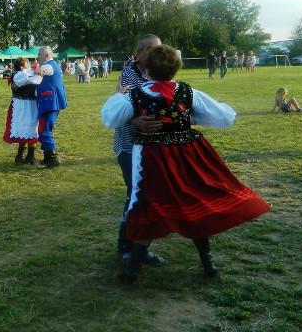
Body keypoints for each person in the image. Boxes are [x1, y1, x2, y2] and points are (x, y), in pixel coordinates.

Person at [102, 45, 270, 283]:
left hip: (152, 158)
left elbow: (110, 117)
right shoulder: (188, 92)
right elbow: (222, 116)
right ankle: (208, 264)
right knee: (193, 200)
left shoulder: (134, 95)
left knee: (149, 204)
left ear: (146, 69)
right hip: (188, 155)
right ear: (176, 69)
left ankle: (132, 271)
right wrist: (188, 117)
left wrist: (120, 96)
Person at [111, 35, 166, 265]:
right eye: (153, 49)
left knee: (149, 195)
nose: (158, 53)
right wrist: (135, 121)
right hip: (129, 145)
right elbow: (118, 107)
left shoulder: (159, 73)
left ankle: (141, 248)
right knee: (135, 195)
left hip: (152, 146)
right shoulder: (129, 74)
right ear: (140, 52)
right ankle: (126, 245)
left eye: (160, 49)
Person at [3, 58, 41, 165]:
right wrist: (36, 71)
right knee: (25, 129)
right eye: (27, 64)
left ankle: (29, 156)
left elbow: (34, 79)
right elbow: (28, 77)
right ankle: (21, 156)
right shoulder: (19, 75)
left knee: (32, 128)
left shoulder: (27, 74)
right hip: (21, 105)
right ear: (21, 66)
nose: (29, 65)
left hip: (30, 104)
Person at [36, 47, 67, 168]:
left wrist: (30, 71)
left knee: (45, 128)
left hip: (50, 102)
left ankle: (53, 158)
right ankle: (47, 157)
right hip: (50, 101)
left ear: (46, 55)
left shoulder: (48, 66)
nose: (38, 57)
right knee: (45, 127)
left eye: (39, 54)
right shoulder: (52, 65)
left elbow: (39, 72)